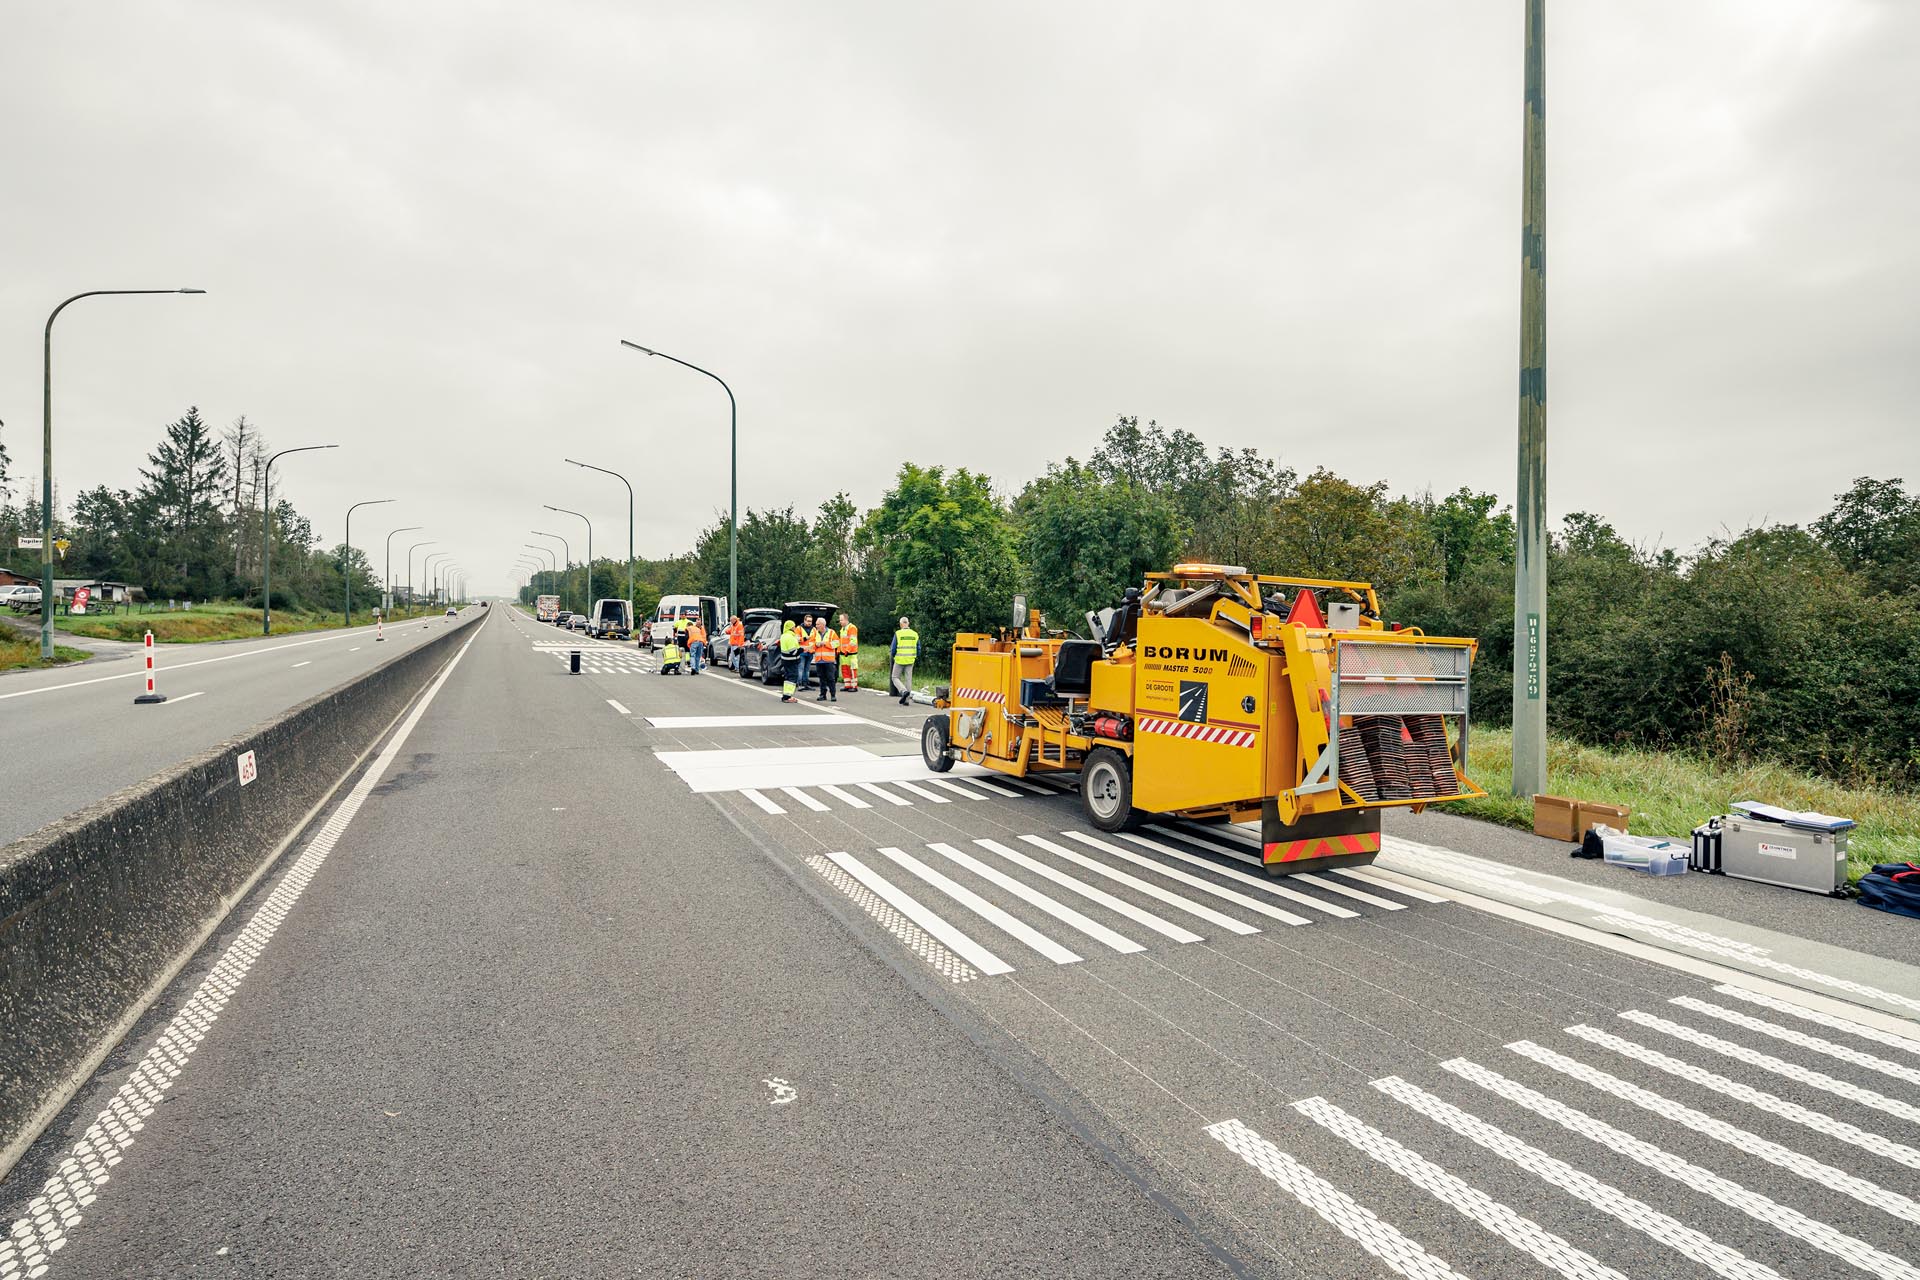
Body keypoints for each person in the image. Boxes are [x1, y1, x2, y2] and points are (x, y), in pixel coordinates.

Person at [890, 616, 918, 705]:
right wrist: (915, 656)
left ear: (901, 624)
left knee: (895, 677)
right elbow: (918, 648)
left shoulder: (898, 634)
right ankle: (906, 701)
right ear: (908, 623)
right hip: (910, 659)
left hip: (899, 659)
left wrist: (893, 656)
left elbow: (893, 648)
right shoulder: (915, 634)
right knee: (908, 679)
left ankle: (903, 691)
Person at [812, 617, 840, 702]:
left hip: (829, 660)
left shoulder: (831, 633)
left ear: (823, 625)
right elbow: (811, 644)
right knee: (821, 678)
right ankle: (822, 694)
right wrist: (816, 644)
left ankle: (833, 695)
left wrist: (825, 643)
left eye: (818, 624)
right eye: (816, 624)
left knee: (831, 678)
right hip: (819, 660)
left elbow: (837, 643)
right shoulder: (815, 633)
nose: (816, 626)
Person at [777, 620, 802, 703]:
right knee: (792, 677)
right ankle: (787, 697)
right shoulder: (790, 637)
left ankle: (786, 695)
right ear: (791, 627)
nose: (795, 628)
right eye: (794, 626)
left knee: (788, 678)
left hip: (785, 660)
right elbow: (793, 652)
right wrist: (803, 649)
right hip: (791, 661)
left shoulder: (784, 635)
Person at [837, 612, 859, 695]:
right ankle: (847, 685)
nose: (840, 622)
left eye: (841, 620)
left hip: (851, 653)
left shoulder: (852, 628)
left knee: (852, 669)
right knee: (844, 669)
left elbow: (853, 641)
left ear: (846, 620)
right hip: (843, 653)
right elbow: (841, 641)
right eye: (840, 620)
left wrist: (847, 650)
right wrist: (839, 650)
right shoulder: (842, 629)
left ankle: (854, 686)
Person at [795, 614, 815, 690]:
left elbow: (815, 639)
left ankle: (806, 684)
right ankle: (799, 684)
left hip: (810, 652)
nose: (809, 623)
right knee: (801, 668)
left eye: (811, 621)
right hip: (802, 651)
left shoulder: (814, 629)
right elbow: (796, 639)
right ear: (804, 620)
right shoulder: (799, 628)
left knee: (807, 669)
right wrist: (804, 638)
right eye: (808, 621)